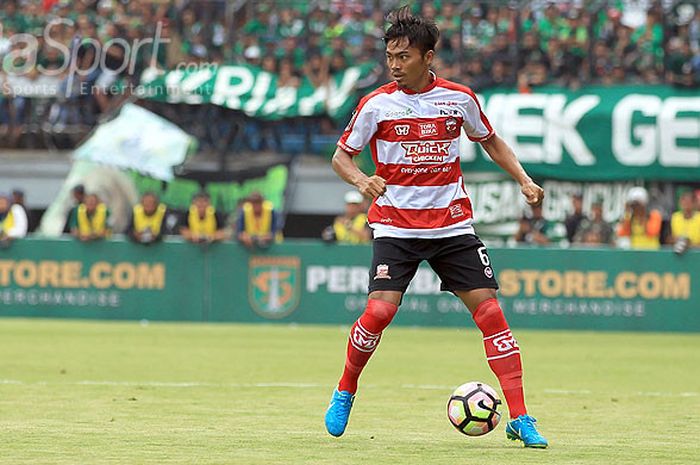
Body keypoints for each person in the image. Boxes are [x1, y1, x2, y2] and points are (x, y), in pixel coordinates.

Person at [324, 6, 548, 448]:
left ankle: (522, 417)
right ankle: (346, 388)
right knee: (380, 312)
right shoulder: (376, 103)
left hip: (452, 224)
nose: (394, 64)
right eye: (390, 56)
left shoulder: (459, 98)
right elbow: (340, 156)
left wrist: (523, 178)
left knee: (491, 314)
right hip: (396, 226)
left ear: (428, 57)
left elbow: (490, 141)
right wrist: (362, 180)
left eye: (403, 56)